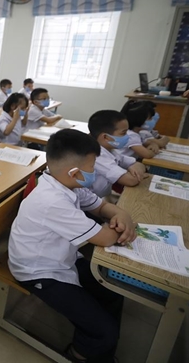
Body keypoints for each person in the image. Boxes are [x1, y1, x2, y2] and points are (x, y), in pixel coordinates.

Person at [9, 129, 135, 363]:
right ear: (75, 172)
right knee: (104, 331)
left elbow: (101, 207)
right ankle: (79, 354)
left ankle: (99, 347)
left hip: (62, 258)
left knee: (114, 292)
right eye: (92, 167)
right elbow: (105, 238)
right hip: (38, 271)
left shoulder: (68, 184)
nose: (94, 171)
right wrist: (120, 220)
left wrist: (121, 213)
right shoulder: (52, 200)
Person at [87, 110, 147, 198]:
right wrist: (133, 170)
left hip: (100, 198)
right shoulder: (98, 155)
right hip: (88, 205)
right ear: (106, 137)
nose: (127, 137)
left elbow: (139, 164)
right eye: (123, 133)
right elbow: (131, 180)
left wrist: (132, 166)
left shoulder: (109, 150)